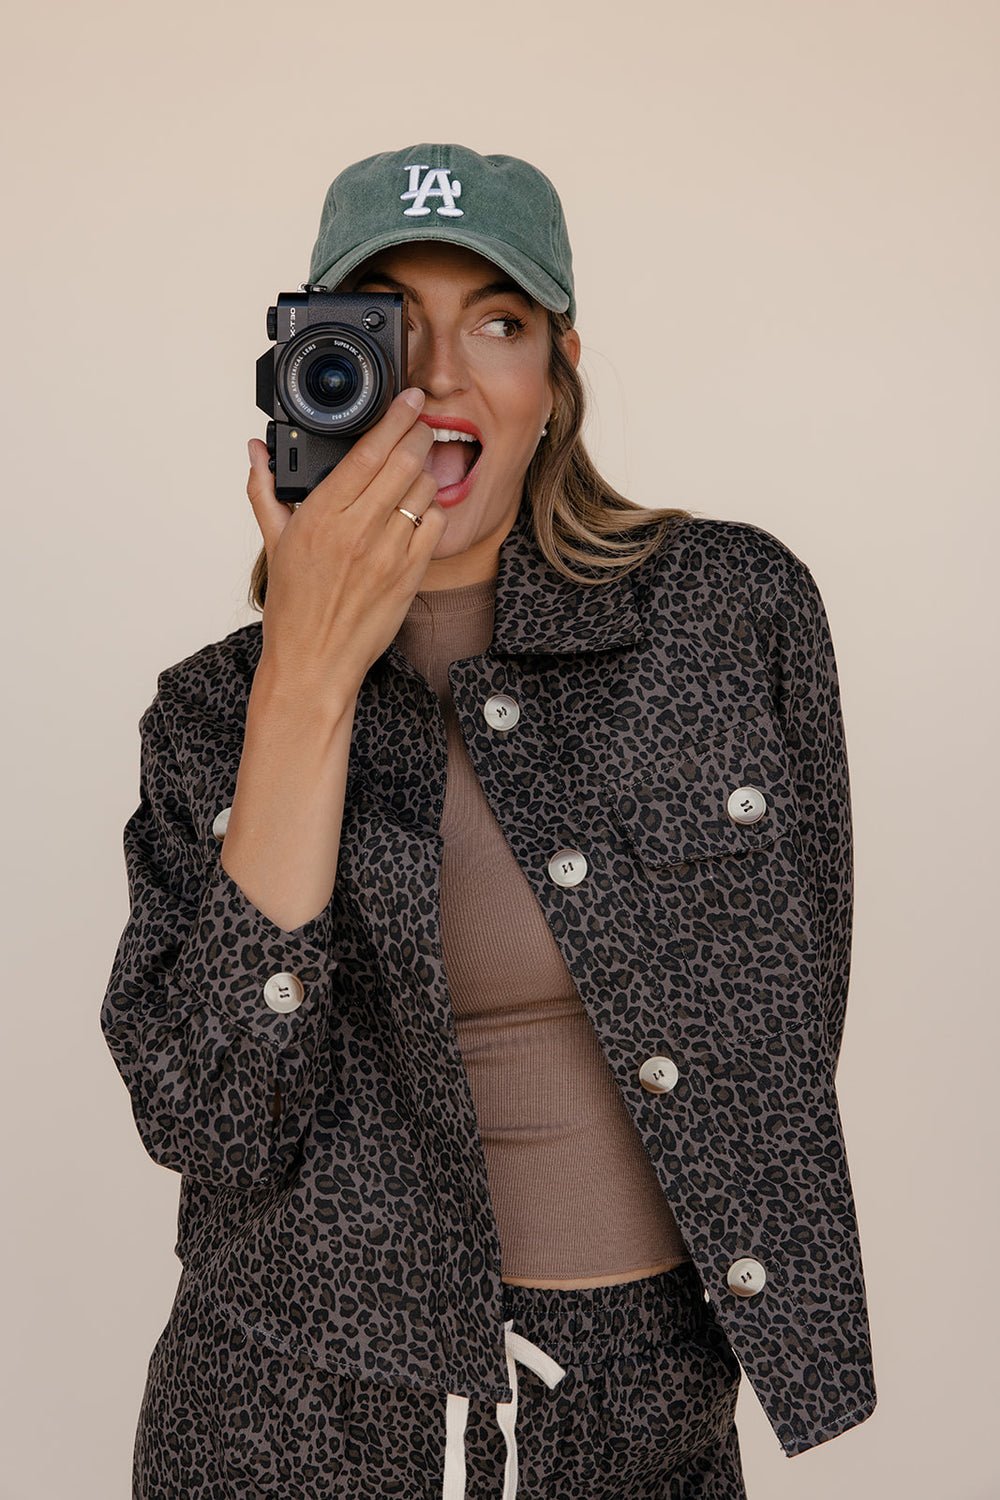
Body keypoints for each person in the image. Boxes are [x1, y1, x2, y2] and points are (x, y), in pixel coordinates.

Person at [103, 144, 876, 1499]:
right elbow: (215, 1122)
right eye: (387, 327)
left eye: (498, 324)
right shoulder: (213, 714)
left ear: (558, 374)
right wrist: (306, 677)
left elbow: (786, 1037)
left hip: (642, 1412)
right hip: (294, 1421)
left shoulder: (729, 614)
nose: (441, 378)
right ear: (304, 367)